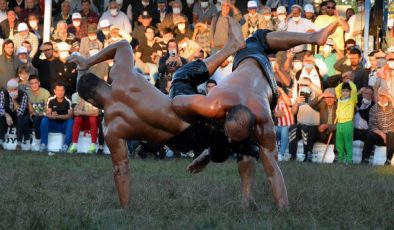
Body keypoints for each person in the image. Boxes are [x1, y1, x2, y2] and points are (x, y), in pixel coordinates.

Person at [68, 18, 338, 210]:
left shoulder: (112, 128)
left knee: (229, 128)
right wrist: (88, 61)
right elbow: (123, 46)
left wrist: (125, 209)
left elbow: (121, 170)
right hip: (188, 112)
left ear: (91, 100)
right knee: (198, 90)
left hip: (183, 140)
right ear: (102, 80)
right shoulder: (122, 75)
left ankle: (212, 152)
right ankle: (230, 49)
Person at [362, 89, 394, 165]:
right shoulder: (373, 108)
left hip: (391, 135)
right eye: (381, 96)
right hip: (380, 135)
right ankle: (365, 159)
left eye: (384, 97)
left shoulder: (391, 105)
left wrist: (389, 96)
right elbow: (372, 126)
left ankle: (388, 160)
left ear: (388, 97)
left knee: (391, 134)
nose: (382, 98)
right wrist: (382, 134)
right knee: (369, 134)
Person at [40, 82, 73, 153]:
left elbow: (70, 115)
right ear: (54, 91)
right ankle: (43, 144)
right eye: (58, 90)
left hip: (64, 125)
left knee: (70, 121)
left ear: (64, 91)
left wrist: (57, 116)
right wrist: (52, 115)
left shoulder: (68, 99)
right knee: (44, 120)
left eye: (62, 90)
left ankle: (65, 145)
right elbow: (48, 114)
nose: (60, 92)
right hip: (54, 125)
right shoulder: (51, 99)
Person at [0, 79, 30, 150]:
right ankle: (0, 141)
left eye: (15, 89)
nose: (13, 91)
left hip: (17, 117)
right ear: (7, 89)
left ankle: (18, 143)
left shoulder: (23, 94)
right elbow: (0, 108)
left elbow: (20, 112)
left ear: (17, 88)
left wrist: (14, 100)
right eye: (11, 89)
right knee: (0, 117)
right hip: (7, 116)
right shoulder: (2, 93)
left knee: (20, 118)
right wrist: (7, 115)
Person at [335, 80, 357, 164]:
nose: (345, 93)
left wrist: (350, 82)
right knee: (339, 144)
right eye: (343, 91)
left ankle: (349, 160)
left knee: (348, 143)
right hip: (339, 123)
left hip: (348, 123)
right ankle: (340, 160)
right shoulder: (339, 98)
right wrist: (343, 82)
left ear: (350, 92)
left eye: (347, 91)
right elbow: (337, 89)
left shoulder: (352, 100)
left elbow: (354, 89)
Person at [27, 75, 50, 151]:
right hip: (33, 115)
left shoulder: (45, 93)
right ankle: (25, 142)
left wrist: (37, 114)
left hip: (44, 115)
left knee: (37, 119)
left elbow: (47, 109)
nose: (34, 85)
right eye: (31, 83)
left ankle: (38, 141)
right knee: (25, 119)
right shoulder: (28, 93)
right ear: (29, 84)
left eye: (35, 83)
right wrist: (32, 113)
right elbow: (30, 109)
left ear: (39, 83)